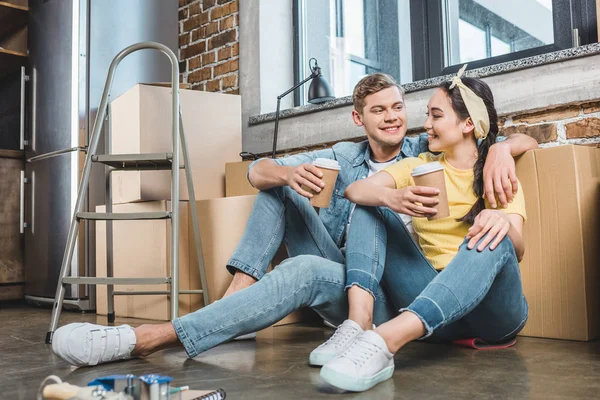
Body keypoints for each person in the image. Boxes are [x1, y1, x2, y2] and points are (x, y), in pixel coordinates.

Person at [50, 72, 536, 369]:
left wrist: (501, 151)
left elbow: (502, 142)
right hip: (360, 277)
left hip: (428, 292)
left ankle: (371, 334)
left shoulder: (426, 150)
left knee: (470, 229)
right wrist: (289, 173)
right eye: (380, 111)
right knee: (299, 202)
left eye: (400, 109)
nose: (398, 119)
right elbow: (269, 174)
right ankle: (149, 337)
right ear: (357, 119)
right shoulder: (354, 157)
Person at [317, 66, 528, 392]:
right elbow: (355, 192)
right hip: (434, 306)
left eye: (436, 115)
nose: (426, 124)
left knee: (495, 236)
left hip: (494, 316)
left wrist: (499, 218)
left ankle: (385, 340)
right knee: (371, 205)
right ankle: (358, 324)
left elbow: (518, 249)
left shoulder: (496, 171)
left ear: (467, 124)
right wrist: (393, 197)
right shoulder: (417, 166)